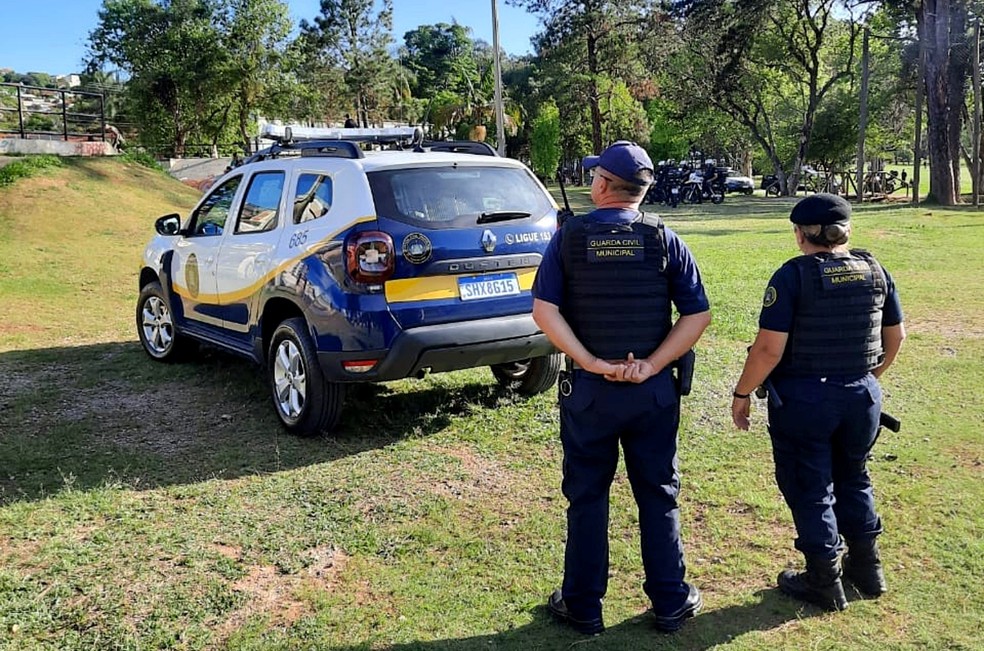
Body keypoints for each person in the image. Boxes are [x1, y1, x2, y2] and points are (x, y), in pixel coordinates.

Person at [532, 141, 712, 635]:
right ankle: (670, 602)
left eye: (596, 175)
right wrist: (652, 365)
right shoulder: (664, 239)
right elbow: (697, 314)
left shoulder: (569, 239)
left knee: (587, 497)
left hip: (590, 394)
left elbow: (544, 311)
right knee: (658, 495)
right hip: (651, 395)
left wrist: (590, 361)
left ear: (604, 185)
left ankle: (583, 606)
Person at [730, 193, 906, 611]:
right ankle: (867, 569)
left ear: (800, 235)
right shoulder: (875, 269)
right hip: (862, 395)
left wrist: (741, 394)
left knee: (811, 486)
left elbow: (768, 350)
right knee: (854, 477)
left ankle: (824, 581)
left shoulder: (792, 276)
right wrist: (868, 378)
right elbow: (896, 337)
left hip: (806, 399)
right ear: (846, 231)